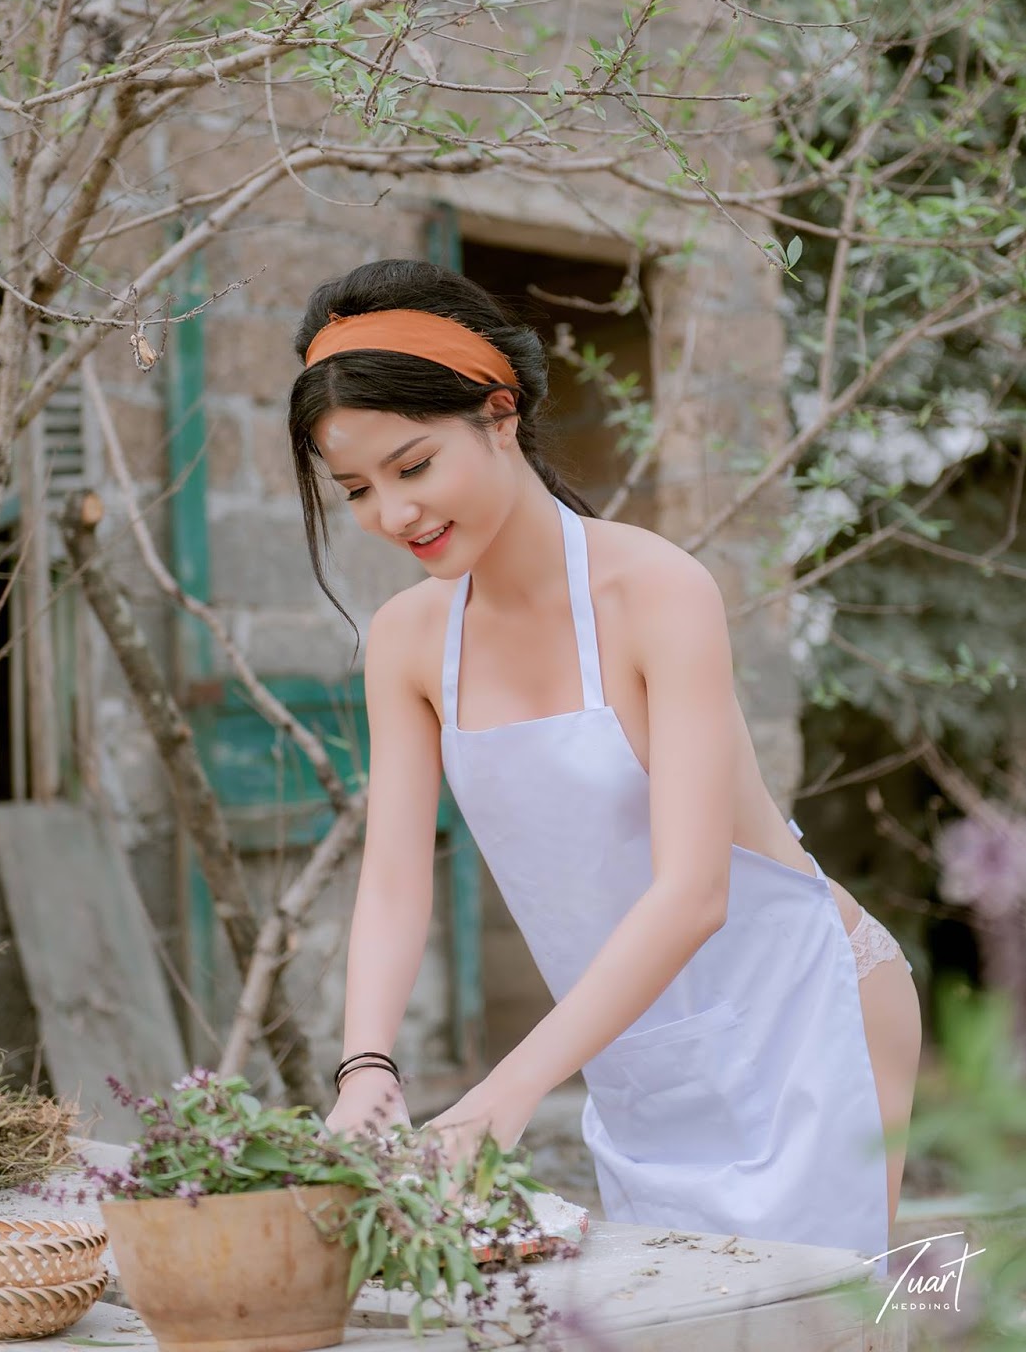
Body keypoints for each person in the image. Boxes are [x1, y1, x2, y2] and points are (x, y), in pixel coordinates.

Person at [287, 257, 922, 1272]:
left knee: (819, 1326)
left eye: (414, 467)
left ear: (500, 414)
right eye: (357, 490)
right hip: (639, 1060)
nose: (393, 514)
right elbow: (396, 880)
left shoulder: (654, 590)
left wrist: (504, 1091)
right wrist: (367, 1067)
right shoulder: (407, 641)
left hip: (804, 1019)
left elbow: (693, 893)